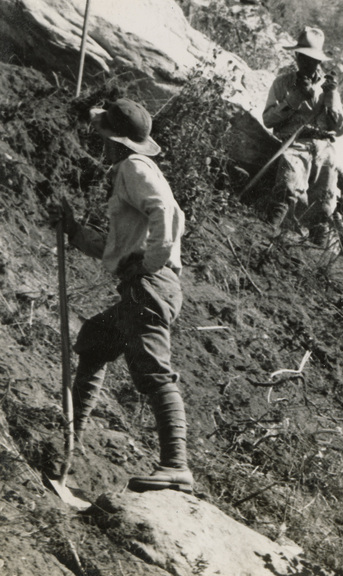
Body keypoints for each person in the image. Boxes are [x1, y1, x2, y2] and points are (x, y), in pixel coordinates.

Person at [47, 98, 192, 493]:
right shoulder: (140, 170)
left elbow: (165, 214)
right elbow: (120, 246)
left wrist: (150, 263)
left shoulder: (132, 168)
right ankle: (71, 434)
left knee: (152, 371)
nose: (101, 142)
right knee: (95, 340)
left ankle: (176, 466)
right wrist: (75, 233)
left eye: (105, 136)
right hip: (146, 286)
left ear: (117, 140)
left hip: (148, 287)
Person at [259, 26, 343, 244]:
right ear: (297, 57)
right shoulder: (283, 83)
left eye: (315, 60)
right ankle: (267, 234)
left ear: (320, 62)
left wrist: (332, 96)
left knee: (326, 200)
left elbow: (340, 129)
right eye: (305, 58)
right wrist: (296, 98)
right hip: (295, 142)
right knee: (288, 183)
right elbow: (269, 120)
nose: (309, 64)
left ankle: (317, 251)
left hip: (324, 146)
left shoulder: (328, 87)